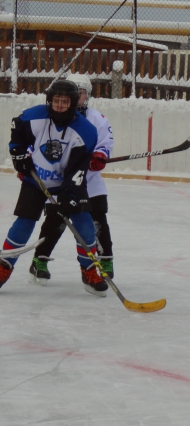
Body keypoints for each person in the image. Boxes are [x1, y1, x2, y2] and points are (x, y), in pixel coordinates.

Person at [0, 79, 108, 297]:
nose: (59, 105)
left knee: (84, 224)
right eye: (56, 100)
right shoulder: (35, 116)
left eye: (64, 101)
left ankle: (88, 270)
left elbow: (77, 171)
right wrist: (18, 155)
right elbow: (16, 131)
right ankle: (3, 267)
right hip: (35, 180)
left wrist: (68, 197)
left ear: (74, 102)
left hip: (69, 182)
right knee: (24, 223)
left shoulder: (85, 131)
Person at [28, 73, 115, 285]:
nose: (79, 97)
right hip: (58, 181)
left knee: (97, 220)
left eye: (82, 93)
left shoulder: (97, 119)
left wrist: (100, 156)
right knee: (55, 220)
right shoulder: (51, 117)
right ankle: (39, 260)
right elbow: (33, 142)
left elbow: (106, 142)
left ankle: (104, 261)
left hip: (90, 182)